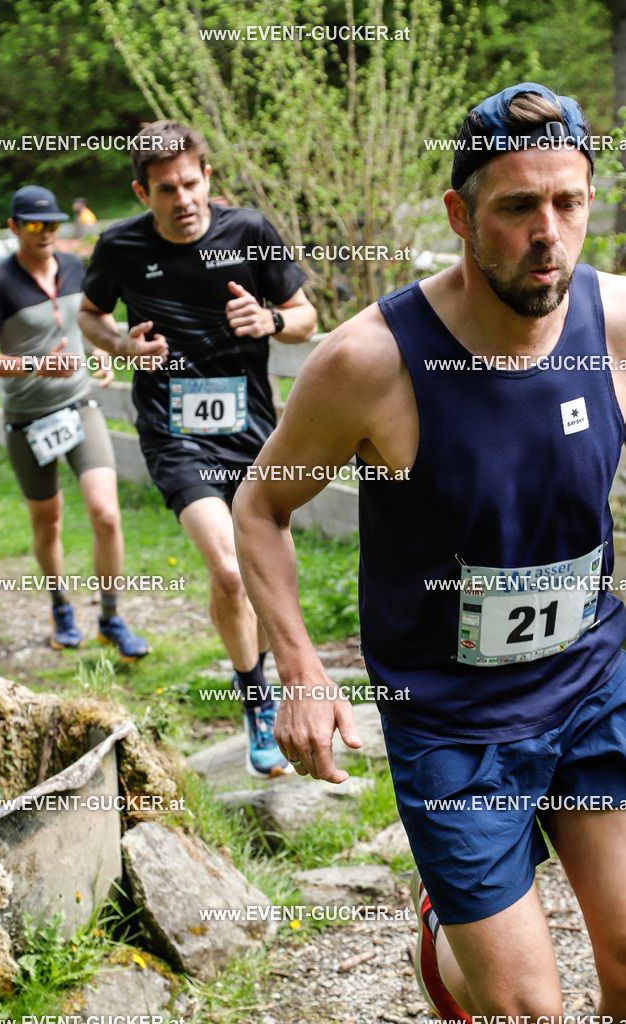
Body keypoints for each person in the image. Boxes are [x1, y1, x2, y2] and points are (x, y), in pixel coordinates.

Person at [233, 82, 626, 1017]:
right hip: (452, 718)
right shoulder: (368, 362)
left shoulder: (613, 325)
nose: (549, 234)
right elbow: (259, 507)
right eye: (517, 207)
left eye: (568, 203)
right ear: (459, 214)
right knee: (527, 1011)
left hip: (591, 680)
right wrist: (299, 670)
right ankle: (447, 937)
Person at [77, 121, 317, 777]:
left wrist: (268, 320)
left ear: (207, 177)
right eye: (165, 189)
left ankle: (262, 668)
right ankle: (256, 700)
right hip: (174, 430)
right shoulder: (120, 245)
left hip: (252, 431)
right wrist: (124, 346)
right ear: (142, 191)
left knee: (275, 579)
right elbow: (91, 316)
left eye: (190, 183)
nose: (181, 199)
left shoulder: (248, 232)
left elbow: (305, 315)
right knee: (233, 570)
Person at [0, 185, 150, 660]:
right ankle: (60, 607)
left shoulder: (74, 267)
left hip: (79, 405)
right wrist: (33, 365)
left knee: (106, 514)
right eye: (33, 225)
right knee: (48, 524)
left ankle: (110, 617)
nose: (45, 232)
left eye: (51, 224)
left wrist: (100, 355)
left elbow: (89, 320)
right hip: (27, 420)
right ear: (14, 227)